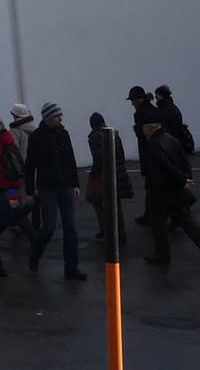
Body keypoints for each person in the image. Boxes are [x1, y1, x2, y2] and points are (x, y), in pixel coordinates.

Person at [138, 106, 200, 267]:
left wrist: (181, 180)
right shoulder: (170, 139)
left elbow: (165, 165)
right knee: (187, 222)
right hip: (176, 190)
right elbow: (184, 162)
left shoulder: (153, 144)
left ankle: (162, 255)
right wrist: (186, 179)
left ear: (148, 128)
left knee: (158, 224)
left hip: (161, 191)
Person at [25, 102, 88, 280]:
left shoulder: (63, 134)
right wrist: (30, 190)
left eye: (60, 116)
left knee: (71, 228)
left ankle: (72, 267)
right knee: (49, 228)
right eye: (56, 116)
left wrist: (75, 183)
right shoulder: (36, 137)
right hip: (48, 188)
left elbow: (70, 159)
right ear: (47, 118)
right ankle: (35, 254)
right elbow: (30, 165)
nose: (60, 119)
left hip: (66, 186)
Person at [87, 112, 133, 246]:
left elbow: (98, 158)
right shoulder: (114, 133)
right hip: (118, 172)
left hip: (104, 175)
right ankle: (121, 233)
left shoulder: (94, 137)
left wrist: (93, 174)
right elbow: (121, 154)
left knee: (97, 201)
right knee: (116, 204)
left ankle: (106, 230)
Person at [127, 85, 156, 225]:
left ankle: (150, 214)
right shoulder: (154, 111)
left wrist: (136, 128)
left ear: (138, 100)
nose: (132, 104)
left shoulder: (140, 114)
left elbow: (141, 134)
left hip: (149, 155)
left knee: (151, 186)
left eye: (133, 100)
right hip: (158, 152)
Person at [8, 103, 38, 236]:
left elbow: (13, 152)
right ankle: (37, 222)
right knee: (35, 193)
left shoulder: (14, 131)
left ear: (15, 115)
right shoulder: (34, 128)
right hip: (35, 165)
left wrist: (15, 169)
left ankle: (17, 220)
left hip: (21, 167)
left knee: (16, 194)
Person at [154, 84, 194, 154]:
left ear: (162, 95)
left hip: (171, 146)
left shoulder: (166, 110)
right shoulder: (171, 108)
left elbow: (170, 130)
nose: (155, 97)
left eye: (157, 95)